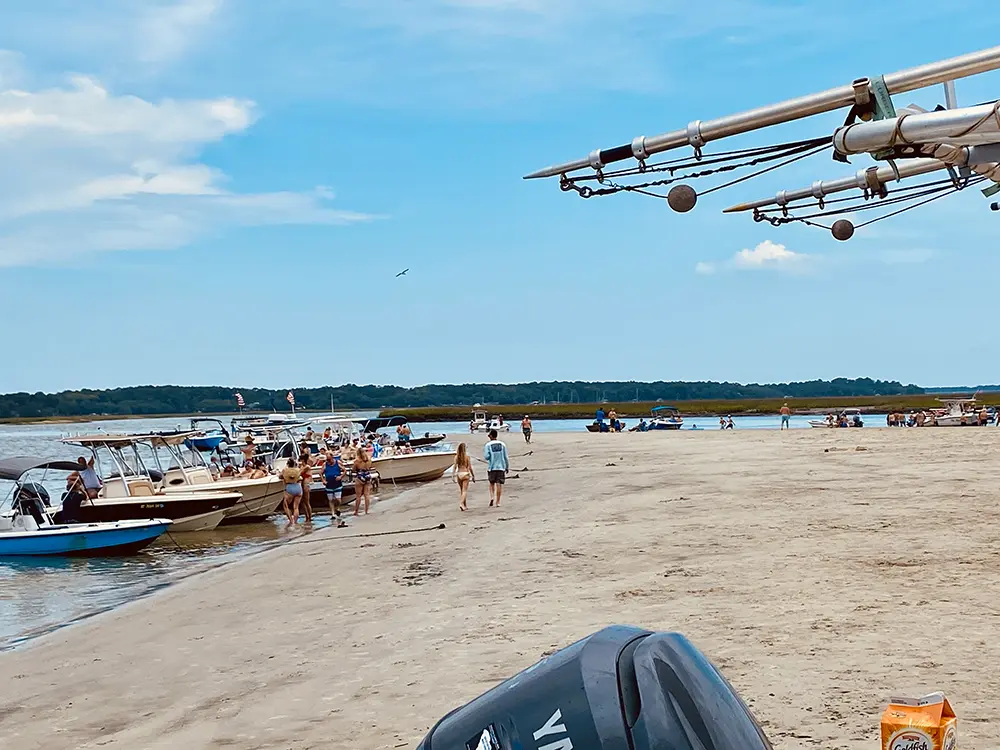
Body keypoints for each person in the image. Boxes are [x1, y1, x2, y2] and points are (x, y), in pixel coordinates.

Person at [483, 429, 509, 507]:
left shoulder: (488, 445)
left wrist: (491, 456)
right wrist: (507, 466)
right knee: (499, 484)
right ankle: (498, 502)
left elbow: (487, 457)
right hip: (501, 467)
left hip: (492, 467)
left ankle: (492, 497)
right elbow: (506, 457)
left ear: (491, 436)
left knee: (491, 483)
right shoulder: (502, 444)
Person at [323, 450, 347, 525]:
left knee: (338, 499)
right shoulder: (325, 464)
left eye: (329, 458)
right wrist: (323, 480)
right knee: (330, 500)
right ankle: (333, 514)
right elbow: (320, 473)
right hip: (329, 484)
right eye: (327, 459)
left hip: (337, 483)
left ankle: (337, 508)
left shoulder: (337, 462)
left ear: (332, 457)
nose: (328, 460)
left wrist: (341, 476)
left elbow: (344, 470)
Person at [280, 458, 303, 526]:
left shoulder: (285, 470)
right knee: (296, 507)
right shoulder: (298, 470)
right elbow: (300, 477)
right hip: (298, 487)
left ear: (287, 464)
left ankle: (290, 520)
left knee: (285, 505)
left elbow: (280, 476)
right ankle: (295, 522)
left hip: (289, 487)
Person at [453, 442, 475, 511]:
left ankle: (465, 506)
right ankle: (462, 503)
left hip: (459, 474)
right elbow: (470, 467)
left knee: (462, 491)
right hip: (465, 473)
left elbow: (455, 467)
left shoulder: (456, 457)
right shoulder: (467, 457)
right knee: (464, 491)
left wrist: (453, 475)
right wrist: (473, 475)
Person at [353, 447, 374, 515]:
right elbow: (370, 467)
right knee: (367, 495)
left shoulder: (357, 461)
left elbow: (354, 469)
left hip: (360, 476)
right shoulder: (369, 459)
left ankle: (356, 511)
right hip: (367, 476)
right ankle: (366, 511)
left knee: (358, 496)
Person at [299, 452, 314, 525]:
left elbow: (300, 473)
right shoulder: (302, 466)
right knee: (302, 502)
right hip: (302, 483)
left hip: (306, 484)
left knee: (307, 501)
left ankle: (309, 517)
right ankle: (306, 516)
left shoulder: (307, 467)